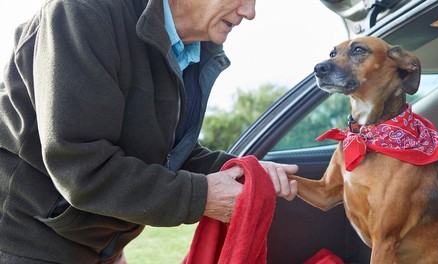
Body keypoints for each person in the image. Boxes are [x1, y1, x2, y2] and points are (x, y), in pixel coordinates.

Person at [0, 0, 299, 263]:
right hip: (25, 244)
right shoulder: (83, 11)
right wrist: (203, 196)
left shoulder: (190, 49)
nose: (250, 12)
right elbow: (81, 167)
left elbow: (166, 152)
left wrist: (243, 172)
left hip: (94, 248)